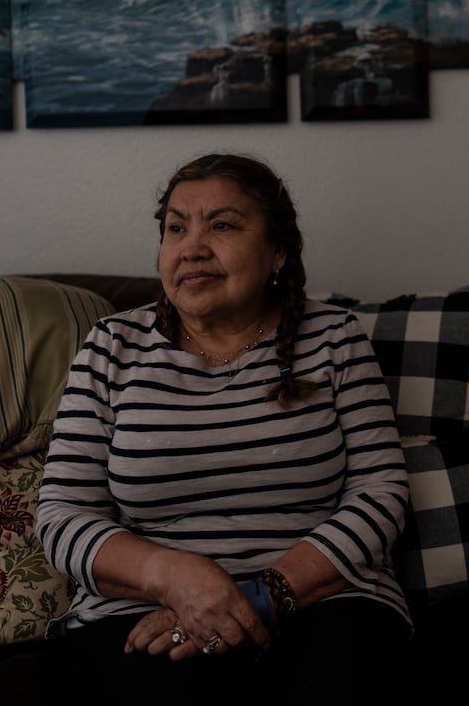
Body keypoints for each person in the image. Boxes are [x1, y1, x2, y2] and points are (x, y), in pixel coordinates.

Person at [36, 153, 411, 703]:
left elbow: (382, 492)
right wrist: (175, 579)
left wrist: (267, 594)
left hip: (324, 600)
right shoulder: (111, 346)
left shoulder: (334, 337)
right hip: (144, 610)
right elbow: (61, 514)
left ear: (277, 251)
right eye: (175, 227)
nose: (192, 246)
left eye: (223, 225)